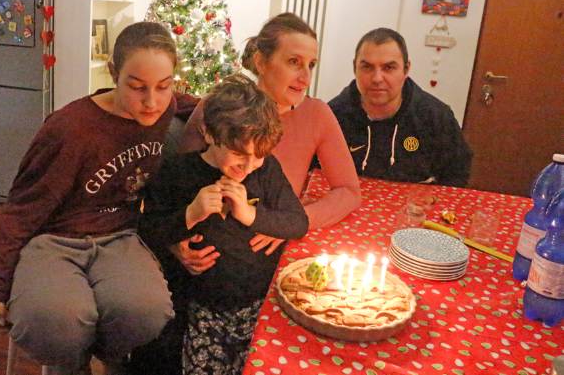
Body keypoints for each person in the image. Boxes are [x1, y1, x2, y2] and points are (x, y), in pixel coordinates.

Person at [0, 22, 181, 375]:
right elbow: (21, 209)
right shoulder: (69, 128)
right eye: (137, 87)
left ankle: (105, 356)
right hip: (53, 240)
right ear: (113, 73)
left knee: (147, 310)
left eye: (163, 86)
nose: (152, 101)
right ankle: (73, 366)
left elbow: (199, 107)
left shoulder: (166, 109)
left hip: (119, 237)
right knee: (55, 321)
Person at [138, 74, 309, 374]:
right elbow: (148, 230)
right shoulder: (177, 172)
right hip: (199, 307)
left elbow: (298, 222)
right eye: (238, 154)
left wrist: (251, 215)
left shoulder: (266, 170)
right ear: (208, 132)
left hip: (258, 303)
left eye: (258, 156)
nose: (248, 166)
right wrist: (190, 214)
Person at [327, 27, 473, 187]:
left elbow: (457, 175)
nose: (377, 78)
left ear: (406, 69)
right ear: (355, 67)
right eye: (367, 67)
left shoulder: (437, 118)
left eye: (388, 68)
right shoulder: (331, 117)